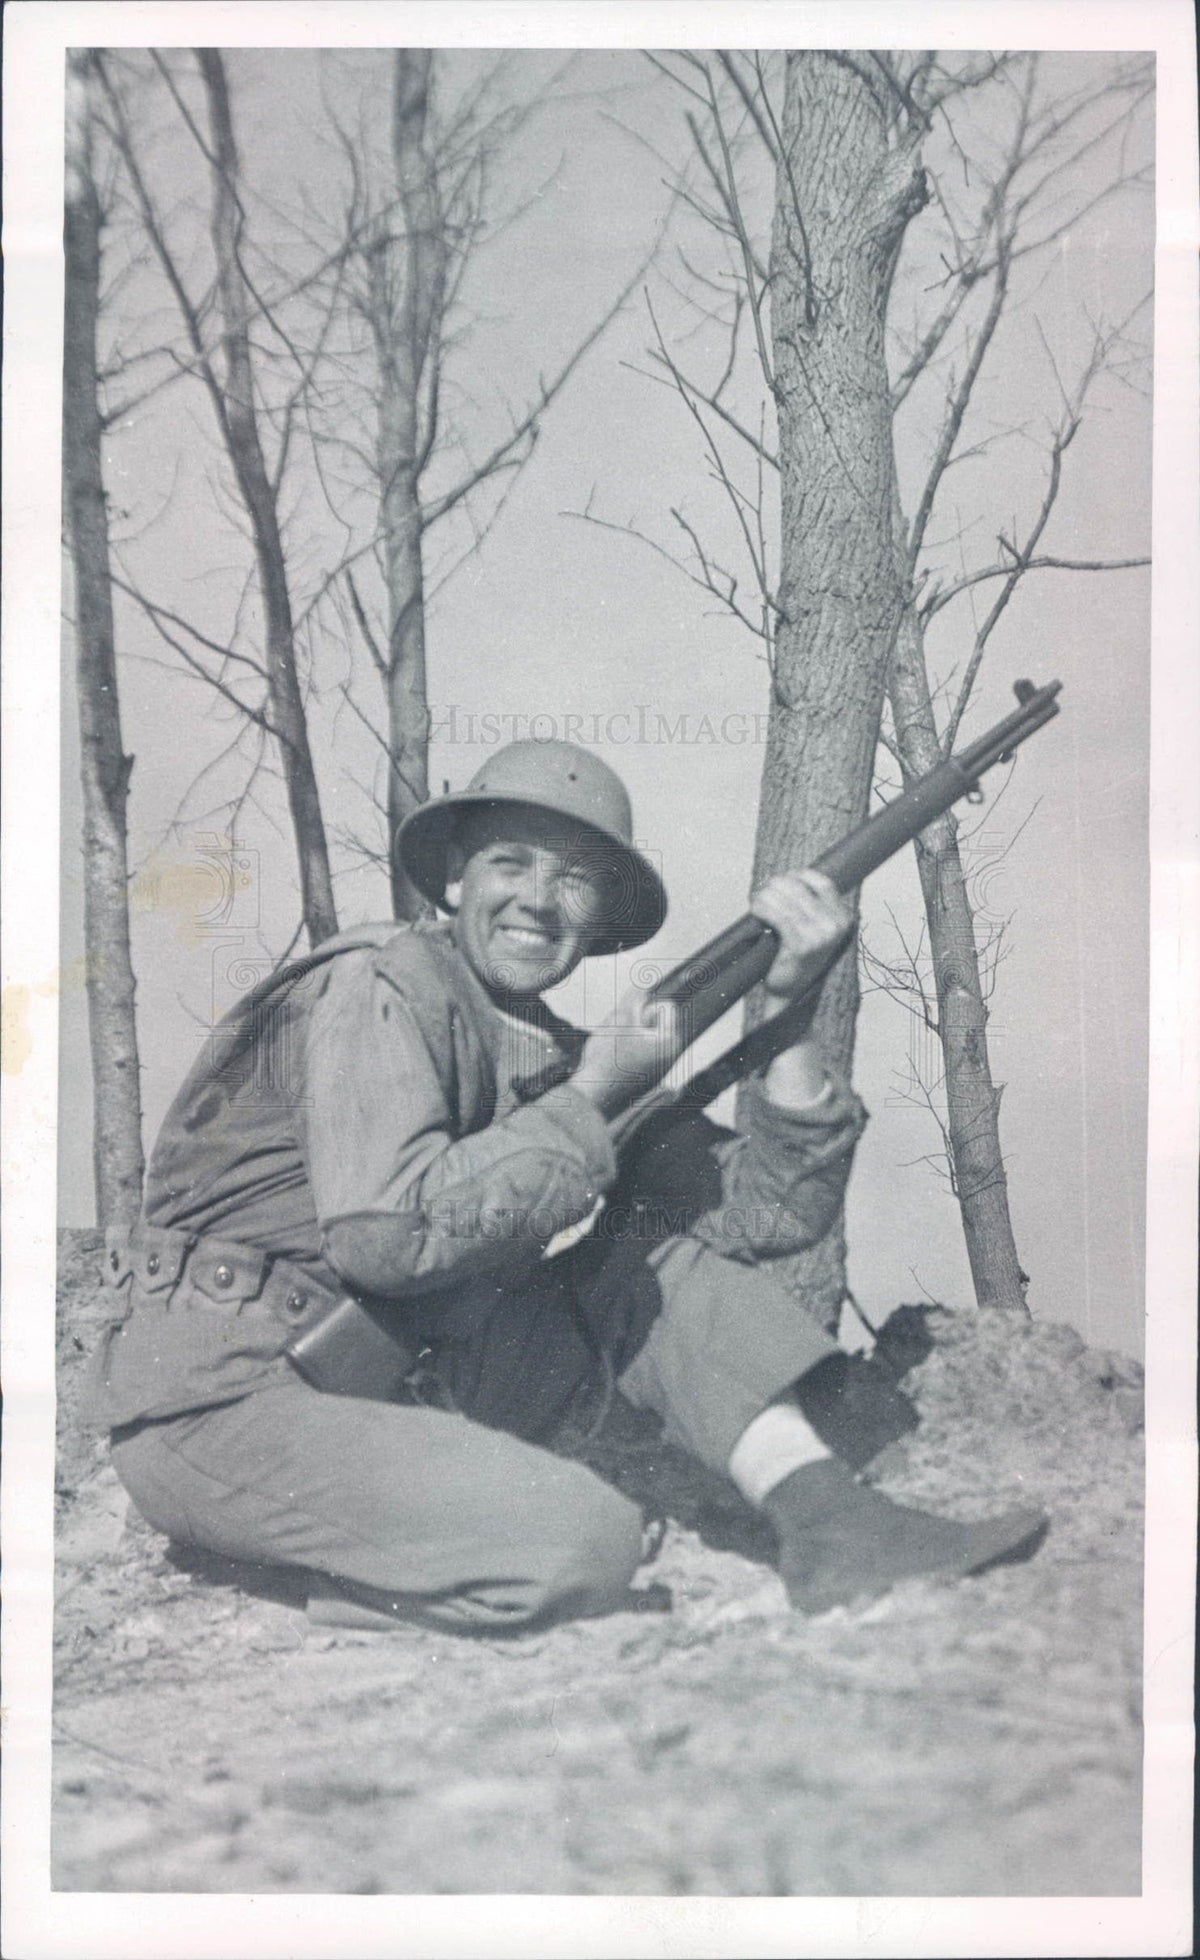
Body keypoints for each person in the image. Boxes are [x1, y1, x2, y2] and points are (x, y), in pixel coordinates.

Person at [91, 740, 1046, 1634]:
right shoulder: (377, 987)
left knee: (652, 1266)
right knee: (585, 1546)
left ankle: (833, 1521)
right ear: (458, 877)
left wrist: (790, 1010)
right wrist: (597, 1091)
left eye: (575, 878)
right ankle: (320, 1572)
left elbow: (766, 1215)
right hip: (228, 1401)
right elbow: (383, 1236)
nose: (540, 899)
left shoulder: (556, 1057)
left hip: (396, 1383)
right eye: (513, 863)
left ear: (600, 921)